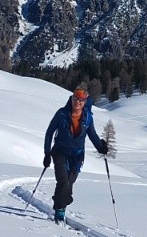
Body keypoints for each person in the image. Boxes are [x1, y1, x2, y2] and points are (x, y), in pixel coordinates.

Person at [43, 87, 109, 222]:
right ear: (71, 99)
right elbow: (49, 133)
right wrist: (47, 153)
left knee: (69, 184)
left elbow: (92, 135)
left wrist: (100, 147)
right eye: (75, 99)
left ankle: (63, 199)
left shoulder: (88, 117)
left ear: (85, 102)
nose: (77, 102)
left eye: (81, 100)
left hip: (77, 155)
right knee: (63, 181)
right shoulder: (61, 114)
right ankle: (59, 211)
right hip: (60, 151)